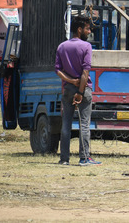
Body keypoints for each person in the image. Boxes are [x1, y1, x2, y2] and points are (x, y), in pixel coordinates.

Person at [55, 15, 101, 166]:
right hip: (83, 90)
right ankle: (84, 158)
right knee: (84, 125)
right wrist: (80, 92)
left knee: (66, 125)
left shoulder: (62, 46)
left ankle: (64, 159)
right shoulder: (86, 47)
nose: (89, 32)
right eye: (87, 29)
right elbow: (85, 72)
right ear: (79, 29)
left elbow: (58, 70)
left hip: (67, 89)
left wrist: (70, 81)